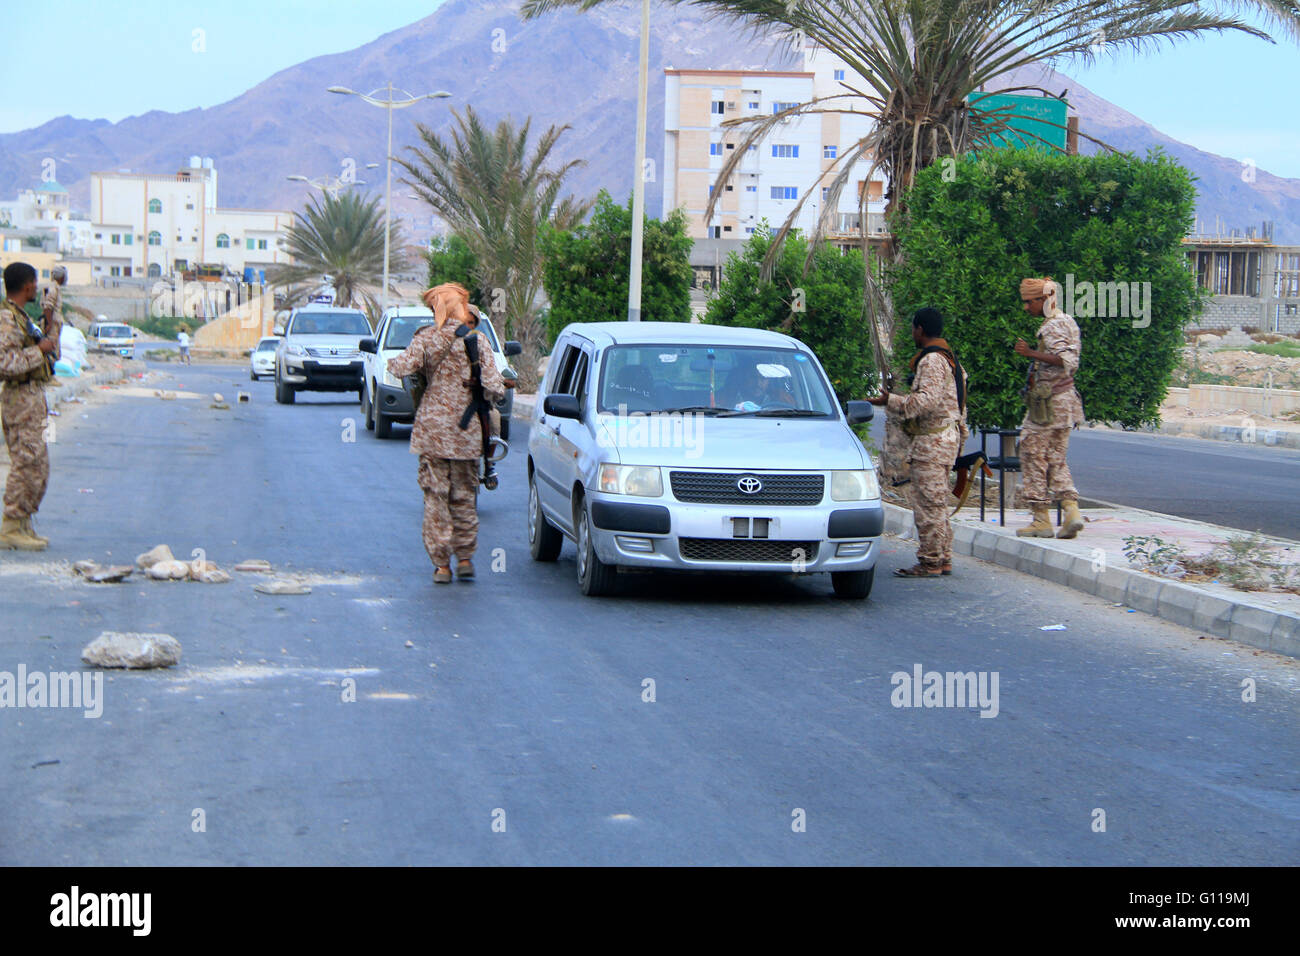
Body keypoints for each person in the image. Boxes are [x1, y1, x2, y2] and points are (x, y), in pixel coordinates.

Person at [387, 284, 506, 584]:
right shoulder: (478, 342)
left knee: (435, 499)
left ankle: (442, 566)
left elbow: (399, 368)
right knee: (465, 496)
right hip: (466, 434)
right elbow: (495, 387)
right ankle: (464, 558)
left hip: (432, 434)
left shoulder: (426, 338)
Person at [870, 307, 968, 577]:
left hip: (932, 442)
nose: (912, 333)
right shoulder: (950, 360)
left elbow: (926, 402)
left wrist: (890, 400)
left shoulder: (932, 360)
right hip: (944, 439)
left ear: (920, 329)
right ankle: (942, 557)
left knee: (927, 504)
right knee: (937, 503)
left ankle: (931, 561)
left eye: (913, 328)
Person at [1014, 277, 1085, 539]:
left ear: (1044, 300)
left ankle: (1041, 519)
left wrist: (1031, 353)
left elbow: (1066, 360)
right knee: (1056, 457)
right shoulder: (1067, 320)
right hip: (1065, 403)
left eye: (1029, 301)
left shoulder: (1053, 326)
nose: (1026, 307)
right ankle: (1071, 511)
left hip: (1049, 404)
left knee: (1032, 453)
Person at [0, 262, 60, 550]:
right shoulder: (7, 319)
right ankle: (10, 526)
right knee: (25, 462)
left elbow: (49, 353)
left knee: (39, 464)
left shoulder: (23, 318)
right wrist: (38, 351)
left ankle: (23, 522)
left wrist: (51, 329)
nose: (37, 288)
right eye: (35, 284)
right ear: (27, 286)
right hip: (20, 398)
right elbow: (5, 364)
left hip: (34, 398)